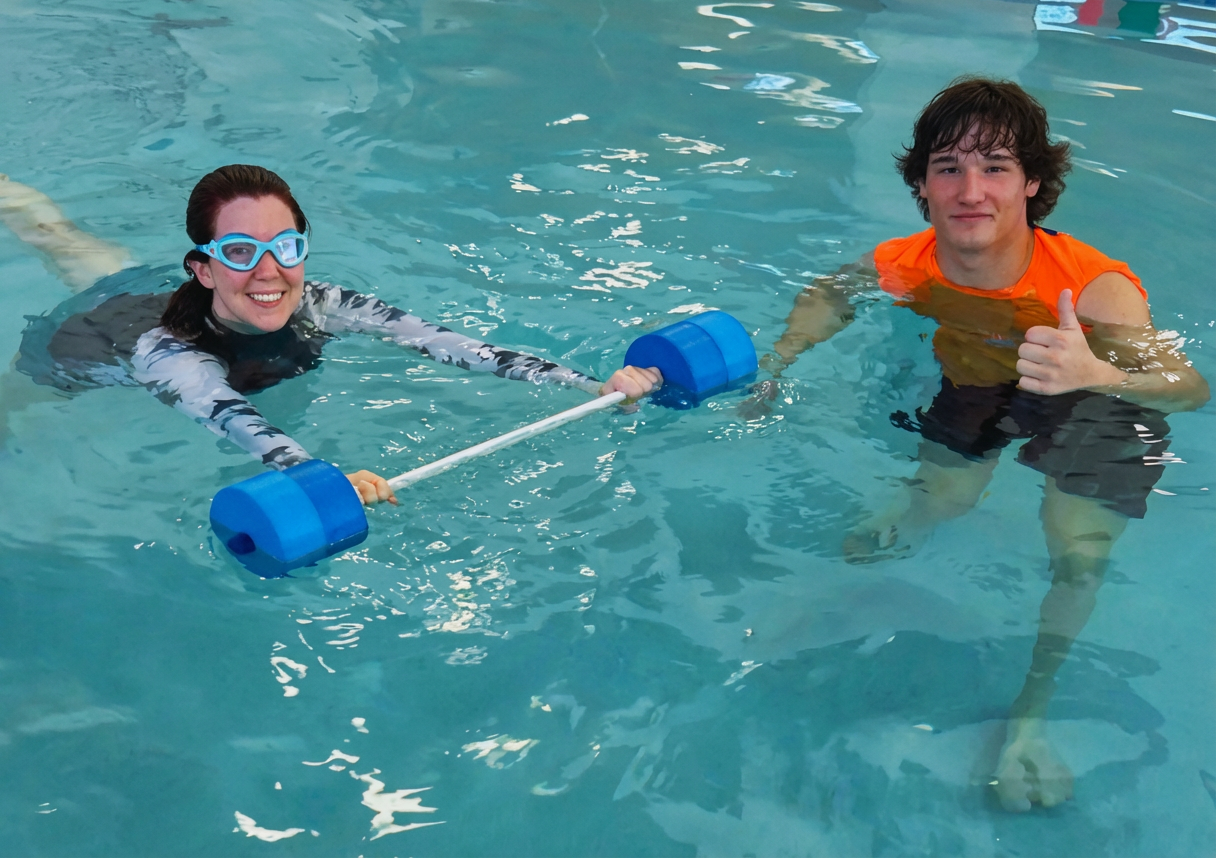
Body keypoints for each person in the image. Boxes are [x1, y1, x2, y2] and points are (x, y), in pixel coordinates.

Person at [749, 78, 1208, 811]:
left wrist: (1097, 370)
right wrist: (777, 363)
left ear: (1031, 182)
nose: (971, 189)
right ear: (922, 185)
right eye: (948, 167)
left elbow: (1187, 386)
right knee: (941, 500)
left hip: (1099, 404)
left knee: (1076, 554)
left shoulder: (1094, 288)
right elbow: (831, 292)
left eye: (994, 166)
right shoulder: (909, 263)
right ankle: (907, 531)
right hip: (982, 382)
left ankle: (1030, 714)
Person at [1, 165, 661, 504]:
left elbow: (462, 348)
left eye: (285, 246)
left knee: (68, 244)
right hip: (85, 350)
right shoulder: (169, 357)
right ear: (204, 267)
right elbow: (235, 420)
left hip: (160, 296)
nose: (269, 270)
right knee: (15, 414)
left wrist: (591, 385)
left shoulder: (322, 304)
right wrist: (322, 478)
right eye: (239, 251)